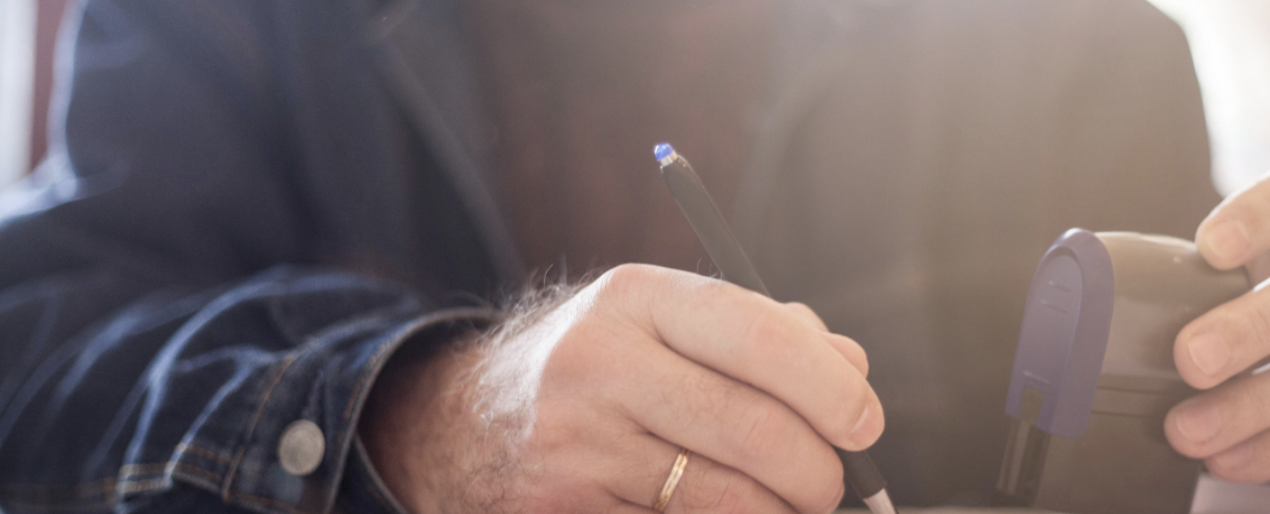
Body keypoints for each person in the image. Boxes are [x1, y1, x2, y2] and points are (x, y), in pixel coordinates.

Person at [0, 1, 1265, 514]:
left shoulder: (1078, 54)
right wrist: (422, 420)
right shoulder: (235, 24)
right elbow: (30, 373)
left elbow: (1205, 430)